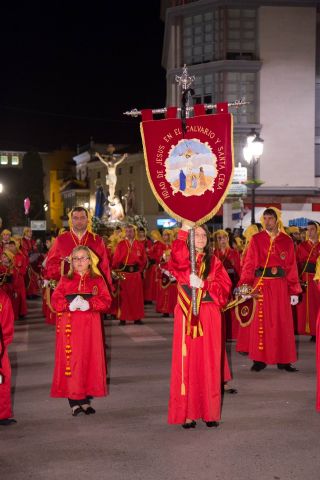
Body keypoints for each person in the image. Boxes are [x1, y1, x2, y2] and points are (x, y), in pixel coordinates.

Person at [167, 222, 231, 428]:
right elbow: (176, 255)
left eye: (204, 235)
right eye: (197, 235)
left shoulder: (215, 262)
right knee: (188, 362)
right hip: (187, 314)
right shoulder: (183, 261)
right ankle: (189, 413)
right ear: (189, 239)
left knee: (209, 362)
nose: (202, 238)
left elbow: (225, 288)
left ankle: (210, 412)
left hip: (209, 314)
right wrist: (184, 228)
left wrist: (205, 284)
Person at [238, 207, 301, 372]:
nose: (267, 221)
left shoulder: (286, 241)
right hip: (262, 285)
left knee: (282, 322)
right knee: (261, 322)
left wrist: (294, 290)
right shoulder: (256, 239)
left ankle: (284, 360)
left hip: (280, 286)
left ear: (277, 220)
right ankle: (259, 360)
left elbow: (291, 267)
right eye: (264, 218)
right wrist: (245, 283)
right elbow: (249, 264)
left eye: (270, 218)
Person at [51, 246, 111, 416]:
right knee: (73, 361)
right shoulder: (65, 279)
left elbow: (107, 301)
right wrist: (67, 305)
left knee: (88, 359)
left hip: (91, 327)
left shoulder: (98, 280)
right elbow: (55, 301)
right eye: (75, 258)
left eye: (83, 258)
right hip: (70, 326)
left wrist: (90, 304)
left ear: (89, 261)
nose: (79, 261)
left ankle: (84, 398)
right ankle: (74, 400)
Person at [112, 224, 147, 325]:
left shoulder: (139, 245)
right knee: (124, 297)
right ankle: (123, 318)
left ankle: (137, 318)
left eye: (131, 231)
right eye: (127, 231)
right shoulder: (121, 244)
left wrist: (140, 270)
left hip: (135, 274)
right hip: (124, 274)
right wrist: (115, 270)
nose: (129, 233)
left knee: (137, 297)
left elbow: (144, 260)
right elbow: (116, 259)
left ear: (134, 232)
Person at [295, 221, 320, 341]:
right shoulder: (302, 246)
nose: (309, 232)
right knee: (304, 306)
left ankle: (317, 331)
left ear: (317, 231)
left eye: (312, 229)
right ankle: (306, 330)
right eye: (308, 230)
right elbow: (297, 263)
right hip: (305, 278)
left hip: (317, 279)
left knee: (317, 304)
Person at [0, 289, 16, 426]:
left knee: (2, 379)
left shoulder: (3, 298)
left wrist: (2, 344)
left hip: (0, 348)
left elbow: (7, 325)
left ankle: (2, 414)